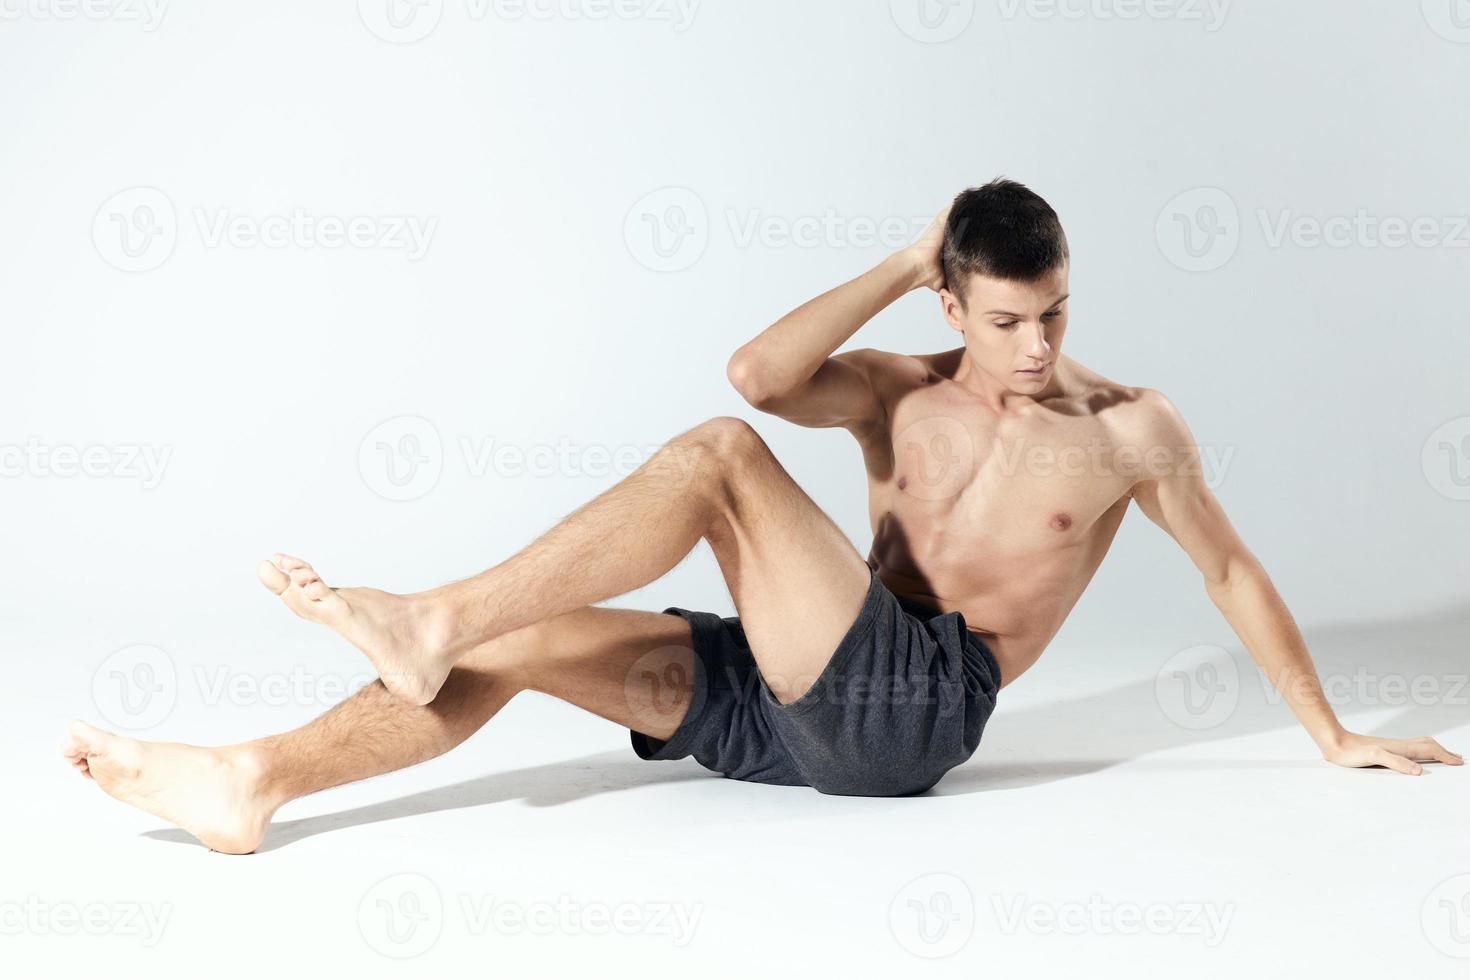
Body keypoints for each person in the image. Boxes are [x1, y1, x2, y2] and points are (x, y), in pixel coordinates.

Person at [63, 177, 1462, 854]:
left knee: (717, 458)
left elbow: (1229, 572)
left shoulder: (1126, 433)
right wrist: (902, 253)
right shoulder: (894, 390)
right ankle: (256, 783)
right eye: (1001, 319)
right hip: (805, 695)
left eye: (1053, 316)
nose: (1033, 348)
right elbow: (760, 367)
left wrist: (1330, 732)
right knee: (528, 641)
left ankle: (428, 614)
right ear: (948, 299)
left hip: (916, 712)